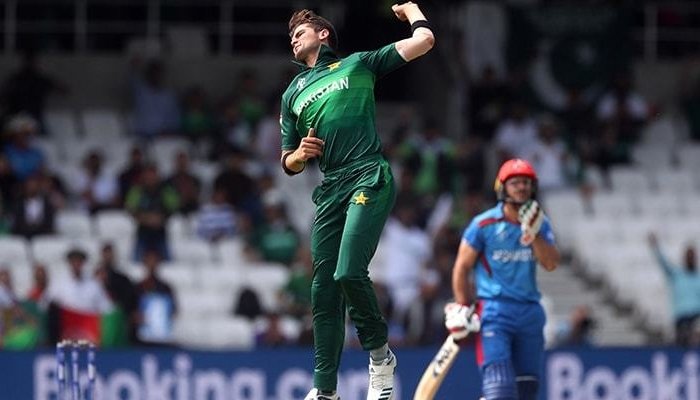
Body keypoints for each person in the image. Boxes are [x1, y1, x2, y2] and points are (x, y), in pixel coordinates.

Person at [279, 3, 435, 400]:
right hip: (330, 188)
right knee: (323, 291)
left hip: (368, 173)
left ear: (324, 34)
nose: (294, 36)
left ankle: (381, 356)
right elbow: (288, 162)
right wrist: (301, 153)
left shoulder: (359, 64)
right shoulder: (292, 94)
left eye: (302, 30)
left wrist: (414, 10)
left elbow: (425, 41)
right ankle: (325, 390)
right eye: (291, 34)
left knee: (348, 271)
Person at [446, 159, 559, 400]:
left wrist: (534, 231)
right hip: (495, 311)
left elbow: (550, 264)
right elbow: (461, 266)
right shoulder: (484, 224)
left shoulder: (541, 223)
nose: (521, 188)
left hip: (530, 312)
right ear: (502, 187)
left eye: (526, 183)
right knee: (499, 389)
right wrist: (463, 305)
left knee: (527, 390)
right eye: (515, 183)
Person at [648, 233, 700, 347]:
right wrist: (655, 248)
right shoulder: (677, 275)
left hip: (697, 317)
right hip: (681, 318)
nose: (690, 259)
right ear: (684, 258)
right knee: (682, 346)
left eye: (693, 256)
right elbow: (664, 264)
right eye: (688, 256)